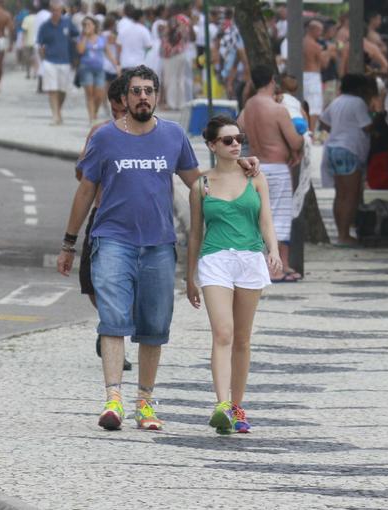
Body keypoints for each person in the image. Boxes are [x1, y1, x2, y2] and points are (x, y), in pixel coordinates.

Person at [56, 65, 258, 431]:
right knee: (113, 319)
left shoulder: (172, 136)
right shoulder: (104, 138)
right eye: (136, 91)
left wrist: (235, 165)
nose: (143, 97)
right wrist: (69, 244)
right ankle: (113, 399)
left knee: (154, 327)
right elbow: (86, 189)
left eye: (149, 90)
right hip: (112, 240)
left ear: (157, 96)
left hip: (159, 245)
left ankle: (145, 403)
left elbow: (197, 182)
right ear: (126, 98)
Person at [186, 116, 282, 434]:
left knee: (242, 338)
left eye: (238, 138)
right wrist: (190, 276)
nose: (236, 144)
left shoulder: (255, 177)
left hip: (250, 258)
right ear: (213, 145)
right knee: (223, 333)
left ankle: (238, 405)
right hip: (214, 260)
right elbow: (195, 234)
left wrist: (274, 251)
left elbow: (266, 219)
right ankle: (221, 405)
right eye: (227, 140)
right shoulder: (202, 184)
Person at [75, 75, 132, 371]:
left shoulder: (154, 133)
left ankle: (114, 329)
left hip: (137, 219)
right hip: (102, 215)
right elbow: (81, 178)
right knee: (91, 282)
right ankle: (109, 322)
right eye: (114, 112)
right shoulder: (100, 133)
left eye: (122, 112)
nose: (118, 119)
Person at [239, 65, 304, 281]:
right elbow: (294, 141)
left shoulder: (248, 106)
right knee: (279, 219)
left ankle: (278, 265)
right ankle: (276, 268)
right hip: (276, 168)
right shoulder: (277, 109)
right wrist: (304, 135)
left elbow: (238, 128)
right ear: (272, 82)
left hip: (256, 167)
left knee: (261, 218)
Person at [319, 74, 373, 245]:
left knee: (340, 194)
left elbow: (323, 121)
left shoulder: (337, 101)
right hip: (349, 149)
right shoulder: (358, 103)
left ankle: (340, 234)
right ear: (359, 88)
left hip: (333, 149)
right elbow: (367, 126)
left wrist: (339, 127)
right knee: (351, 195)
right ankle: (344, 235)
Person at [37, 0, 78, 125]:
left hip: (65, 61)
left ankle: (58, 111)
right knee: (52, 89)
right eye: (53, 10)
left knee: (62, 90)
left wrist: (75, 56)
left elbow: (76, 36)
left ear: (61, 10)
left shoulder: (67, 22)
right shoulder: (44, 26)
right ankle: (55, 115)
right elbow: (40, 44)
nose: (56, 13)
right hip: (50, 61)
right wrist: (43, 58)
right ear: (50, 10)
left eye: (58, 10)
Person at [76, 16, 118, 123]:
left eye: (89, 24)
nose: (87, 26)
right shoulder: (81, 38)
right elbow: (80, 51)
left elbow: (108, 53)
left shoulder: (101, 38)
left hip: (99, 69)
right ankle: (92, 117)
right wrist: (85, 36)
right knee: (89, 94)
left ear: (94, 26)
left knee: (99, 94)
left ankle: (95, 113)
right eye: (85, 25)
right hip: (86, 68)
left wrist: (116, 65)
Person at [303, 20, 336, 134]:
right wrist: (329, 51)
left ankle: (305, 131)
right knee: (314, 107)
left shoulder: (301, 43)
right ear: (312, 30)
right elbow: (324, 64)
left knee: (305, 105)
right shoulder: (315, 46)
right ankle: (311, 132)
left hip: (303, 75)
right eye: (320, 31)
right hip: (313, 77)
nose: (321, 34)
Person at [162, 6, 193, 110]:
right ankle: (181, 104)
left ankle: (172, 104)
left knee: (171, 80)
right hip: (183, 53)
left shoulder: (173, 21)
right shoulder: (186, 21)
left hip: (172, 54)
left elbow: (171, 37)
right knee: (180, 80)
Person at [116, 7, 152, 73]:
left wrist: (118, 60)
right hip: (138, 64)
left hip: (125, 63)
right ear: (141, 17)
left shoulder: (124, 29)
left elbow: (118, 45)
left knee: (126, 83)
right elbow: (149, 46)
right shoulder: (144, 30)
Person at [0, 0, 15, 94]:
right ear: (3, 2)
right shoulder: (6, 15)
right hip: (1, 39)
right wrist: (11, 44)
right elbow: (11, 30)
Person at [20, 6, 39, 79]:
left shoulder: (26, 19)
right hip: (36, 42)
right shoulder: (38, 18)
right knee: (35, 58)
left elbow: (24, 31)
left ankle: (28, 73)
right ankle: (35, 73)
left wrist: (23, 41)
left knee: (27, 59)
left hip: (28, 42)